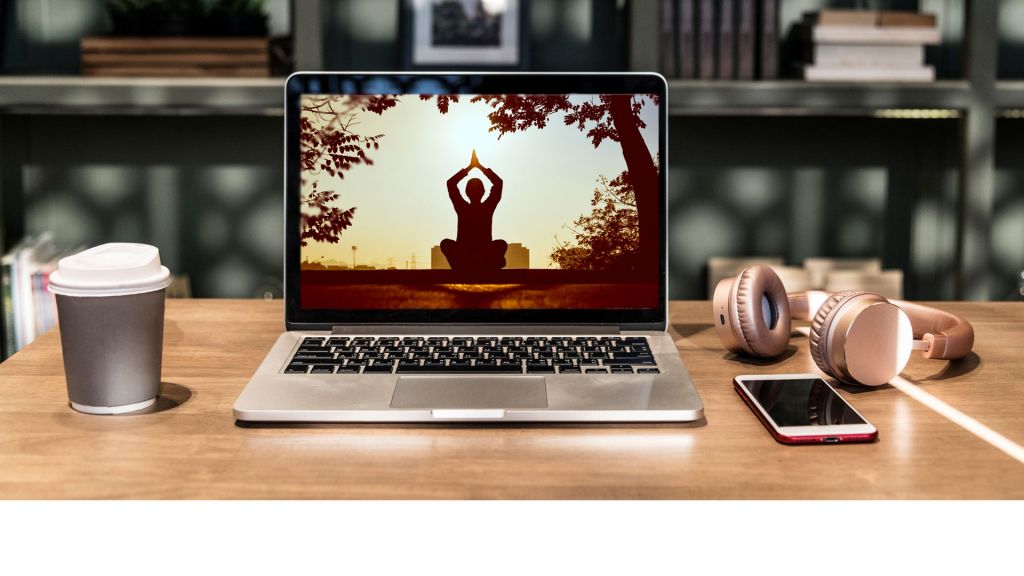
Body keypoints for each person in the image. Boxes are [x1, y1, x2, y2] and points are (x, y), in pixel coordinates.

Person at [440, 151, 508, 270]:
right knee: (501, 245)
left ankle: (470, 263)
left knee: (445, 244)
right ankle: (479, 263)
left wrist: (470, 167)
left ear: (466, 193)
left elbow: (451, 184)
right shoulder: (487, 207)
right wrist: (479, 167)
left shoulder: (462, 207)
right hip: (477, 254)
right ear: (483, 192)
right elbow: (498, 183)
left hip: (467, 255)